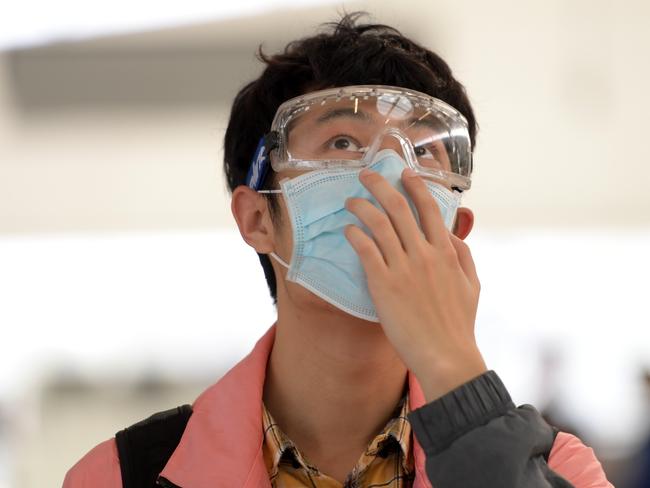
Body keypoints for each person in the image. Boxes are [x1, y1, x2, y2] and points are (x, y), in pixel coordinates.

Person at [63, 13, 613, 488]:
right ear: (257, 219)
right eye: (344, 142)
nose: (389, 174)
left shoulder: (558, 469)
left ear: (455, 230)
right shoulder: (120, 476)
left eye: (424, 151)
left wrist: (456, 376)